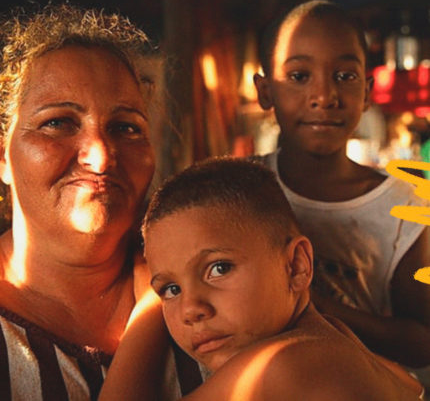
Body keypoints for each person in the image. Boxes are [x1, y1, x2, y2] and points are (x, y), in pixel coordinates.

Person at [0, 4, 199, 400]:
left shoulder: (212, 287)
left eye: (126, 127)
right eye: (58, 122)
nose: (102, 156)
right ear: (3, 156)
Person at [100, 157, 423, 401]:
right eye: (171, 289)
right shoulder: (346, 348)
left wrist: (147, 307)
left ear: (296, 266)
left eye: (219, 268)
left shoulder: (287, 364)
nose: (191, 309)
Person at [252, 0, 430, 372]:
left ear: (367, 91)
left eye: (345, 76)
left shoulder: (403, 206)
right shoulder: (240, 189)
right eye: (299, 76)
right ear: (265, 90)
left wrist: (320, 309)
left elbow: (421, 345)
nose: (325, 96)